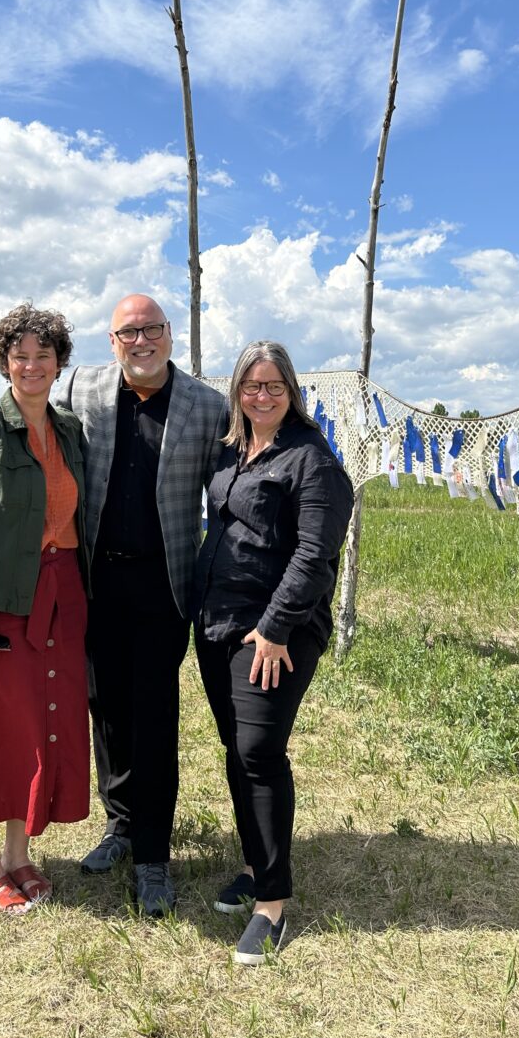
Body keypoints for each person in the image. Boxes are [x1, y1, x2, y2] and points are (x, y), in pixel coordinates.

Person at [0, 294, 227, 916]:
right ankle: (120, 824)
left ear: (169, 334)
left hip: (163, 586)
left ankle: (153, 856)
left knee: (152, 715)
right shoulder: (82, 388)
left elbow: (245, 464)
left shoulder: (208, 405)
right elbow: (19, 406)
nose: (141, 341)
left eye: (151, 329)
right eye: (128, 332)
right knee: (103, 710)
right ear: (112, 342)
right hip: (91, 585)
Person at [192, 341, 353, 964]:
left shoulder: (312, 460)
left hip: (275, 632)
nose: (261, 396)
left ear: (291, 391)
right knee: (237, 748)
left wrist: (276, 628)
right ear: (237, 391)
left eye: (274, 386)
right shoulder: (232, 449)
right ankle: (256, 865)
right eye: (251, 386)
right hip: (218, 623)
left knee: (259, 751)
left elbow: (315, 554)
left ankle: (273, 906)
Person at [0, 304, 90, 915]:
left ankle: (18, 852)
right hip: (1, 600)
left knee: (38, 722)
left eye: (43, 355)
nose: (31, 366)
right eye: (19, 356)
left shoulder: (70, 430)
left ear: (59, 363)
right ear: (3, 363)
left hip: (60, 595)